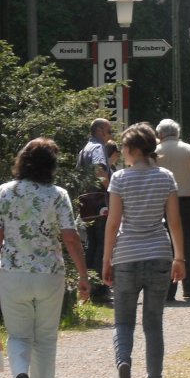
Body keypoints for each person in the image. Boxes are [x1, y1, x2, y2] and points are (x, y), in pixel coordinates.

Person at [0, 138, 91, 378]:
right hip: (49, 275)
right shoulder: (58, 195)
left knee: (18, 335)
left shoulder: (4, 192)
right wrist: (83, 275)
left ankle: (20, 375)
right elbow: (71, 238)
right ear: (51, 166)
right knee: (45, 338)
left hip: (13, 273)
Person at [102, 123, 185, 378]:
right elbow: (174, 222)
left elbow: (113, 224)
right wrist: (179, 258)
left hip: (126, 256)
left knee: (123, 322)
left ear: (134, 149)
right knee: (153, 325)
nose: (122, 152)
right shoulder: (166, 178)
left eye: (124, 147)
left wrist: (106, 260)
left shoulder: (119, 180)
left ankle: (124, 363)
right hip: (159, 255)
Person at [155, 119, 190, 301]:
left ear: (160, 134)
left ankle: (168, 291)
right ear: (177, 133)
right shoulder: (188, 150)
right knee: (187, 245)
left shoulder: (154, 152)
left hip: (161, 205)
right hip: (186, 204)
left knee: (166, 247)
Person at [76, 118, 112, 278]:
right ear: (99, 130)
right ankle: (99, 287)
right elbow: (99, 171)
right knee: (102, 243)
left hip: (86, 202)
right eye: (109, 131)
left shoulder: (84, 149)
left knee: (92, 243)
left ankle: (89, 283)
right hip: (99, 202)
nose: (110, 136)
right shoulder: (98, 147)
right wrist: (112, 190)